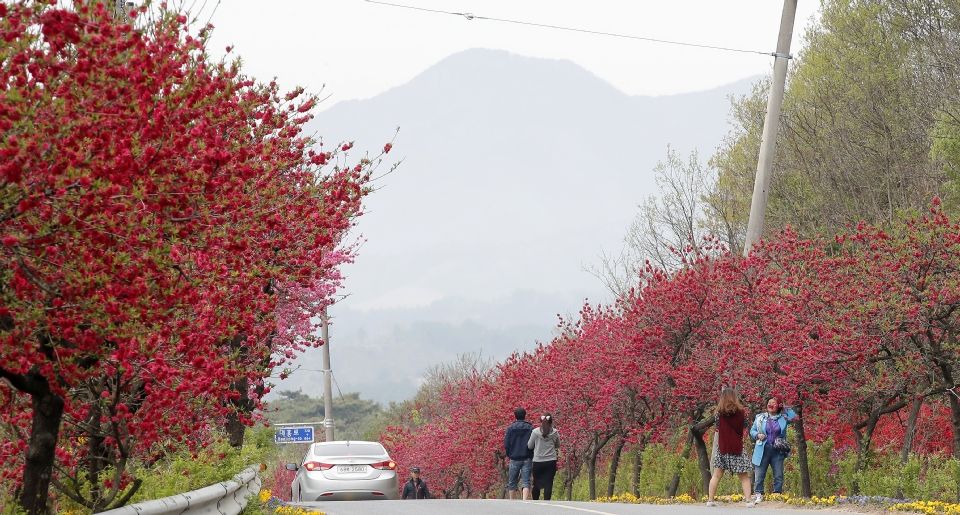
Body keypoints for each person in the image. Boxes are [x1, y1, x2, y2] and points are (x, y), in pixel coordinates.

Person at [706, 388, 755, 508]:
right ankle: (749, 501)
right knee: (744, 477)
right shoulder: (742, 413)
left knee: (716, 475)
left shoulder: (719, 415)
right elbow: (744, 426)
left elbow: (718, 428)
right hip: (737, 447)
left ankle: (710, 500)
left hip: (723, 447)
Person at [750, 396, 798, 503]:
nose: (771, 405)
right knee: (759, 474)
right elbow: (752, 430)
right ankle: (759, 493)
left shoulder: (783, 418)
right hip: (763, 448)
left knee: (778, 474)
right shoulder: (760, 417)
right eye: (769, 402)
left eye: (774, 403)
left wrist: (784, 407)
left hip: (777, 449)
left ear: (778, 406)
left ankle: (777, 494)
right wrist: (757, 435)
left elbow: (794, 417)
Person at [527, 412, 560, 501]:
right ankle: (547, 501)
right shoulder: (555, 432)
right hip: (551, 461)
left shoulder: (535, 432)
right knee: (549, 483)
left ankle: (535, 500)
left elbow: (530, 446)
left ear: (540, 421)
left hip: (538, 461)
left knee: (536, 482)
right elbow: (558, 445)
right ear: (551, 421)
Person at [504, 407, 534, 500]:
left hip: (514, 457)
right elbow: (533, 443)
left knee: (512, 481)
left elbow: (506, 444)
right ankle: (524, 500)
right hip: (527, 457)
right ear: (525, 416)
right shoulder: (530, 428)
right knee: (526, 481)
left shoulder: (510, 428)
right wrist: (531, 454)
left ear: (515, 416)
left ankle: (512, 499)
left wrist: (509, 454)